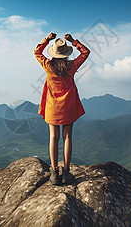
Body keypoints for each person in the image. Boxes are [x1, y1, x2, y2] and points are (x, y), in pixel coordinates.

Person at [34, 32, 90, 185]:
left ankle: (53, 173)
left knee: (53, 137)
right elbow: (86, 52)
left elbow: (36, 52)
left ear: (54, 52)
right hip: (68, 106)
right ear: (66, 53)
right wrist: (73, 41)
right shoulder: (72, 66)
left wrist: (47, 40)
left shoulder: (47, 65)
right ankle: (65, 173)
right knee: (67, 137)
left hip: (52, 107)